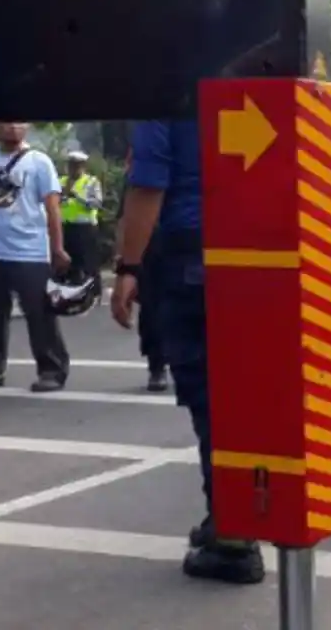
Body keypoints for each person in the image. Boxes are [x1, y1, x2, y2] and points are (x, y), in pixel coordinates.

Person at [111, 119, 265, 584]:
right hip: (256, 254)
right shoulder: (243, 86)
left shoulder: (162, 100)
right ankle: (229, 513)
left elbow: (148, 188)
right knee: (240, 393)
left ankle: (234, 541)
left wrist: (127, 266)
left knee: (209, 397)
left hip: (192, 260)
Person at [0, 123, 71, 392]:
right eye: (5, 122)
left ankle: (51, 369)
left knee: (40, 312)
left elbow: (53, 210)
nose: (12, 128)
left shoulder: (40, 162)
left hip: (31, 252)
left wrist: (57, 248)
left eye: (18, 122)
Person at [113, 148, 168, 392]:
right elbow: (126, 219)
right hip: (148, 249)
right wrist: (124, 262)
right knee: (153, 311)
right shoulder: (135, 180)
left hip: (185, 243)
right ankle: (157, 367)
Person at [59, 150, 103, 292]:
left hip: (85, 228)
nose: (73, 169)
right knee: (68, 262)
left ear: (83, 167)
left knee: (89, 261)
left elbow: (97, 203)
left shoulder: (91, 182)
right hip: (66, 227)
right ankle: (72, 290)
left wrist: (77, 196)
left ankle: (94, 291)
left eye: (77, 166)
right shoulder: (61, 181)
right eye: (71, 165)